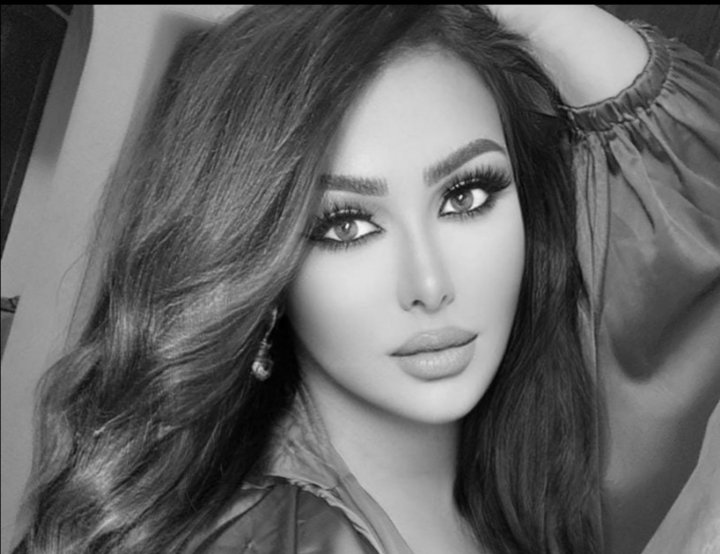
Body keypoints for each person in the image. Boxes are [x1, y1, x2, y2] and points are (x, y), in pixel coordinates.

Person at [11, 5, 720, 554]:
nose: (430, 284)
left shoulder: (534, 466)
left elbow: (691, 184)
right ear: (260, 265)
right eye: (346, 225)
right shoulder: (266, 539)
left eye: (466, 195)